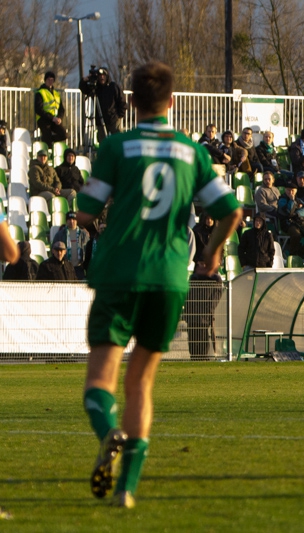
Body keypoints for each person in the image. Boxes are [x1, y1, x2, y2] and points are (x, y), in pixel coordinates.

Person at [75, 61, 242, 509]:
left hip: (119, 274)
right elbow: (230, 211)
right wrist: (212, 251)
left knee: (100, 381)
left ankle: (108, 429)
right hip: (169, 278)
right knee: (142, 385)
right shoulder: (192, 152)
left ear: (130, 102)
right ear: (172, 102)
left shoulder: (117, 146)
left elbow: (86, 211)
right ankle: (126, 490)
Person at [185, 263, 225, 360]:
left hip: (204, 313)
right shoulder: (193, 278)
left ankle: (202, 357)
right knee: (193, 334)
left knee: (201, 333)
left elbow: (216, 298)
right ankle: (195, 357)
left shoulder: (215, 279)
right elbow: (188, 296)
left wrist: (209, 310)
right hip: (194, 312)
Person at [79, 67, 128, 143]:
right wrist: (87, 78)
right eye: (99, 75)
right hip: (100, 121)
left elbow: (122, 101)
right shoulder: (96, 88)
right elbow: (83, 88)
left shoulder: (113, 86)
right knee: (103, 142)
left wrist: (119, 116)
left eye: (103, 75)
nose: (102, 77)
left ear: (107, 76)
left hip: (113, 120)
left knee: (117, 141)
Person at [52, 211, 91, 279]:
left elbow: (88, 251)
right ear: (66, 221)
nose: (71, 221)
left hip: (79, 268)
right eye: (69, 219)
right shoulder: (60, 235)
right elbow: (54, 250)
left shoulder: (83, 235)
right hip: (64, 268)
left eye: (74, 219)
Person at [34, 71, 67, 147]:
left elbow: (61, 109)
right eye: (48, 79)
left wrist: (59, 117)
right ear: (45, 80)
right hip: (44, 119)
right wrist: (52, 118)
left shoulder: (56, 94)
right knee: (47, 135)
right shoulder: (40, 92)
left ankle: (45, 140)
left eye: (52, 80)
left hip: (54, 119)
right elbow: (38, 109)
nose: (50, 81)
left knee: (63, 134)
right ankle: (47, 143)